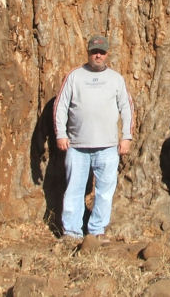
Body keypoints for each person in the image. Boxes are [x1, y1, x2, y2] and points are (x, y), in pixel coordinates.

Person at [54, 35, 134, 240]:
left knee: (105, 192)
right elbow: (60, 106)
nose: (98, 55)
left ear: (107, 54)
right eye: (94, 52)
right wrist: (60, 133)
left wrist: (127, 137)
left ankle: (97, 231)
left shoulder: (116, 79)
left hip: (107, 147)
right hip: (77, 146)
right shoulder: (74, 76)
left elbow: (127, 107)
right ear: (88, 52)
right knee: (74, 190)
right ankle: (71, 232)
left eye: (102, 52)